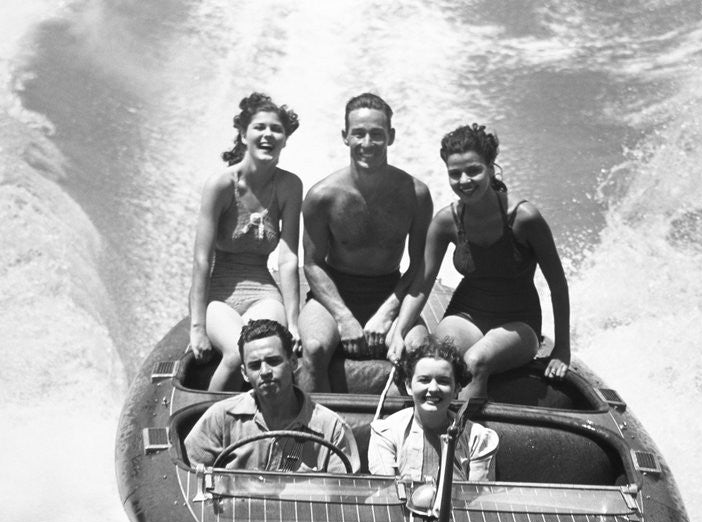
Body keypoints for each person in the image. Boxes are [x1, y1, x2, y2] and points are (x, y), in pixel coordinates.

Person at [390, 123, 570, 398]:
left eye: (473, 170)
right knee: (439, 363)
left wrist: (562, 349)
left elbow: (558, 285)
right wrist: (399, 331)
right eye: (455, 173)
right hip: (466, 314)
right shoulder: (445, 221)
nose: (464, 180)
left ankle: (459, 439)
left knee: (475, 362)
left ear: (490, 166)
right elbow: (422, 284)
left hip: (518, 321)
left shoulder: (524, 218)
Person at [297, 93, 433, 392]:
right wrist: (343, 317)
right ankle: (309, 434)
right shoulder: (322, 196)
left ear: (391, 137)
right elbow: (311, 264)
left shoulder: (416, 194)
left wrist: (388, 312)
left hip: (390, 291)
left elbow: (421, 264)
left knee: (418, 352)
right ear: (345, 137)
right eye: (358, 133)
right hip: (333, 293)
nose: (367, 143)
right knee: (316, 347)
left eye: (376, 134)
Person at [188, 92, 303, 392]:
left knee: (271, 355)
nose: (268, 135)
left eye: (276, 129)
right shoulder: (221, 185)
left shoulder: (290, 186)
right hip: (220, 295)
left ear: (285, 139)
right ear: (243, 133)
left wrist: (293, 323)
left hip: (264, 293)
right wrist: (197, 327)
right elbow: (202, 261)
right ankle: (209, 427)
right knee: (238, 352)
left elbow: (288, 259)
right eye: (260, 127)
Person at [185, 319, 360, 473]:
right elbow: (191, 481)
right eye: (254, 365)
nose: (265, 372)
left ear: (292, 363)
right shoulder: (221, 418)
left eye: (273, 361)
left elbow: (344, 498)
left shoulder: (331, 428)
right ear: (244, 374)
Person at [368, 335, 498, 481]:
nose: (433, 388)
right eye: (424, 380)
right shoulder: (386, 433)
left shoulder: (477, 439)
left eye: (443, 381)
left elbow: (477, 500)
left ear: (457, 389)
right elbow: (387, 495)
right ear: (409, 386)